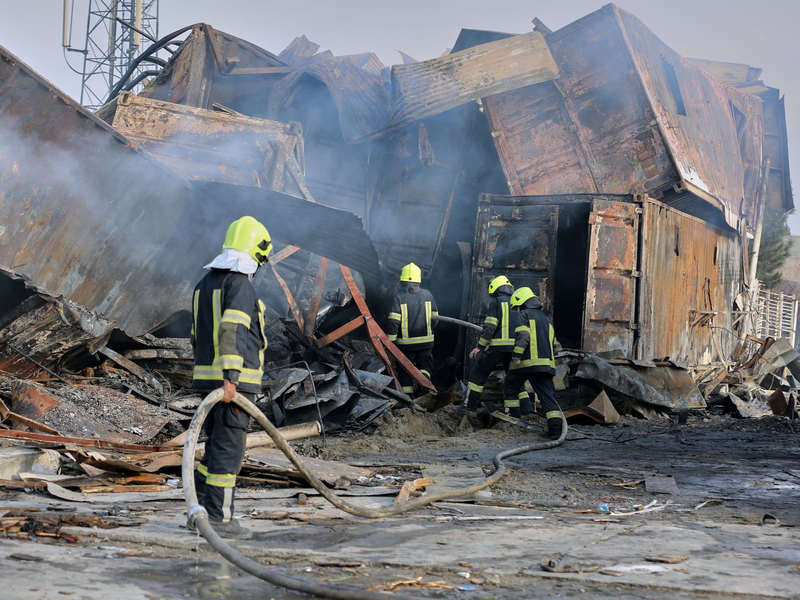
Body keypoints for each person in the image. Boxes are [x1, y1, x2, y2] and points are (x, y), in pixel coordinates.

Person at [189, 216, 272, 540]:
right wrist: (231, 378)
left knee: (214, 449)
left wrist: (213, 376)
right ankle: (220, 520)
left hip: (208, 380)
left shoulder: (204, 284)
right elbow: (233, 330)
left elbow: (196, 336)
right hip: (230, 386)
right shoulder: (239, 285)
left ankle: (198, 512)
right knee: (228, 452)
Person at [460, 275, 529, 413]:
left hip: (498, 348)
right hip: (515, 350)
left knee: (478, 374)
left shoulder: (497, 302)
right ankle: (525, 410)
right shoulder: (519, 303)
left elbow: (490, 326)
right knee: (515, 379)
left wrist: (480, 347)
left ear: (495, 289)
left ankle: (470, 407)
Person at [503, 287, 564, 439]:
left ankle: (512, 419)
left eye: (518, 306)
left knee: (510, 385)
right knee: (547, 395)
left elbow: (523, 335)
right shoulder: (546, 320)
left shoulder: (524, 315)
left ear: (522, 302)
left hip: (526, 363)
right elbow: (555, 344)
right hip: (545, 365)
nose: (518, 309)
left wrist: (516, 355)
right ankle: (556, 429)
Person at [385, 262, 438, 395]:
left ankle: (408, 398)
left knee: (405, 370)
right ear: (418, 280)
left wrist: (390, 340)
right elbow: (435, 318)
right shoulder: (428, 295)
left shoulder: (399, 297)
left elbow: (393, 321)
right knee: (425, 368)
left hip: (405, 345)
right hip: (426, 343)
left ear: (403, 281)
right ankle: (426, 394)